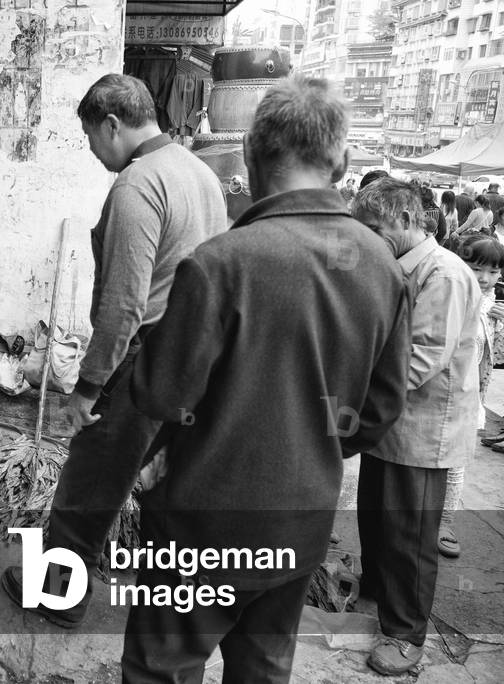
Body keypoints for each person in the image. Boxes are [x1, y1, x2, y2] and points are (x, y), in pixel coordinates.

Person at [119, 74, 411, 682]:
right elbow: (381, 413)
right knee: (263, 667)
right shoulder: (383, 266)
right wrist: (310, 447)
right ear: (343, 160)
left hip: (200, 526)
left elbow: (160, 394)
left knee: (162, 668)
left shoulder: (223, 262)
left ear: (251, 156)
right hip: (301, 521)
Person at [0, 73, 227, 627]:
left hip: (141, 361)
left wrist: (88, 388)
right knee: (156, 482)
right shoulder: (200, 174)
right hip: (193, 358)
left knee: (90, 482)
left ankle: (59, 595)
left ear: (111, 124)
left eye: (89, 138)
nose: (93, 151)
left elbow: (124, 305)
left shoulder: (137, 185)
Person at [352, 177, 481, 676]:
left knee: (408, 535)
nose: (368, 237)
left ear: (405, 221)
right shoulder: (400, 266)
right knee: (377, 523)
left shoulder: (442, 274)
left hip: (423, 429)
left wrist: (353, 396)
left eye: (374, 228)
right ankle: (377, 602)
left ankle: (406, 635)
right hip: (389, 423)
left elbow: (421, 357)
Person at [440, 233, 504, 558]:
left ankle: (445, 523)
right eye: (476, 267)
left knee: (456, 466)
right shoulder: (451, 295)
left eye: (493, 271)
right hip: (442, 395)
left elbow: (491, 356)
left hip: (470, 398)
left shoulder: (491, 307)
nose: (484, 278)